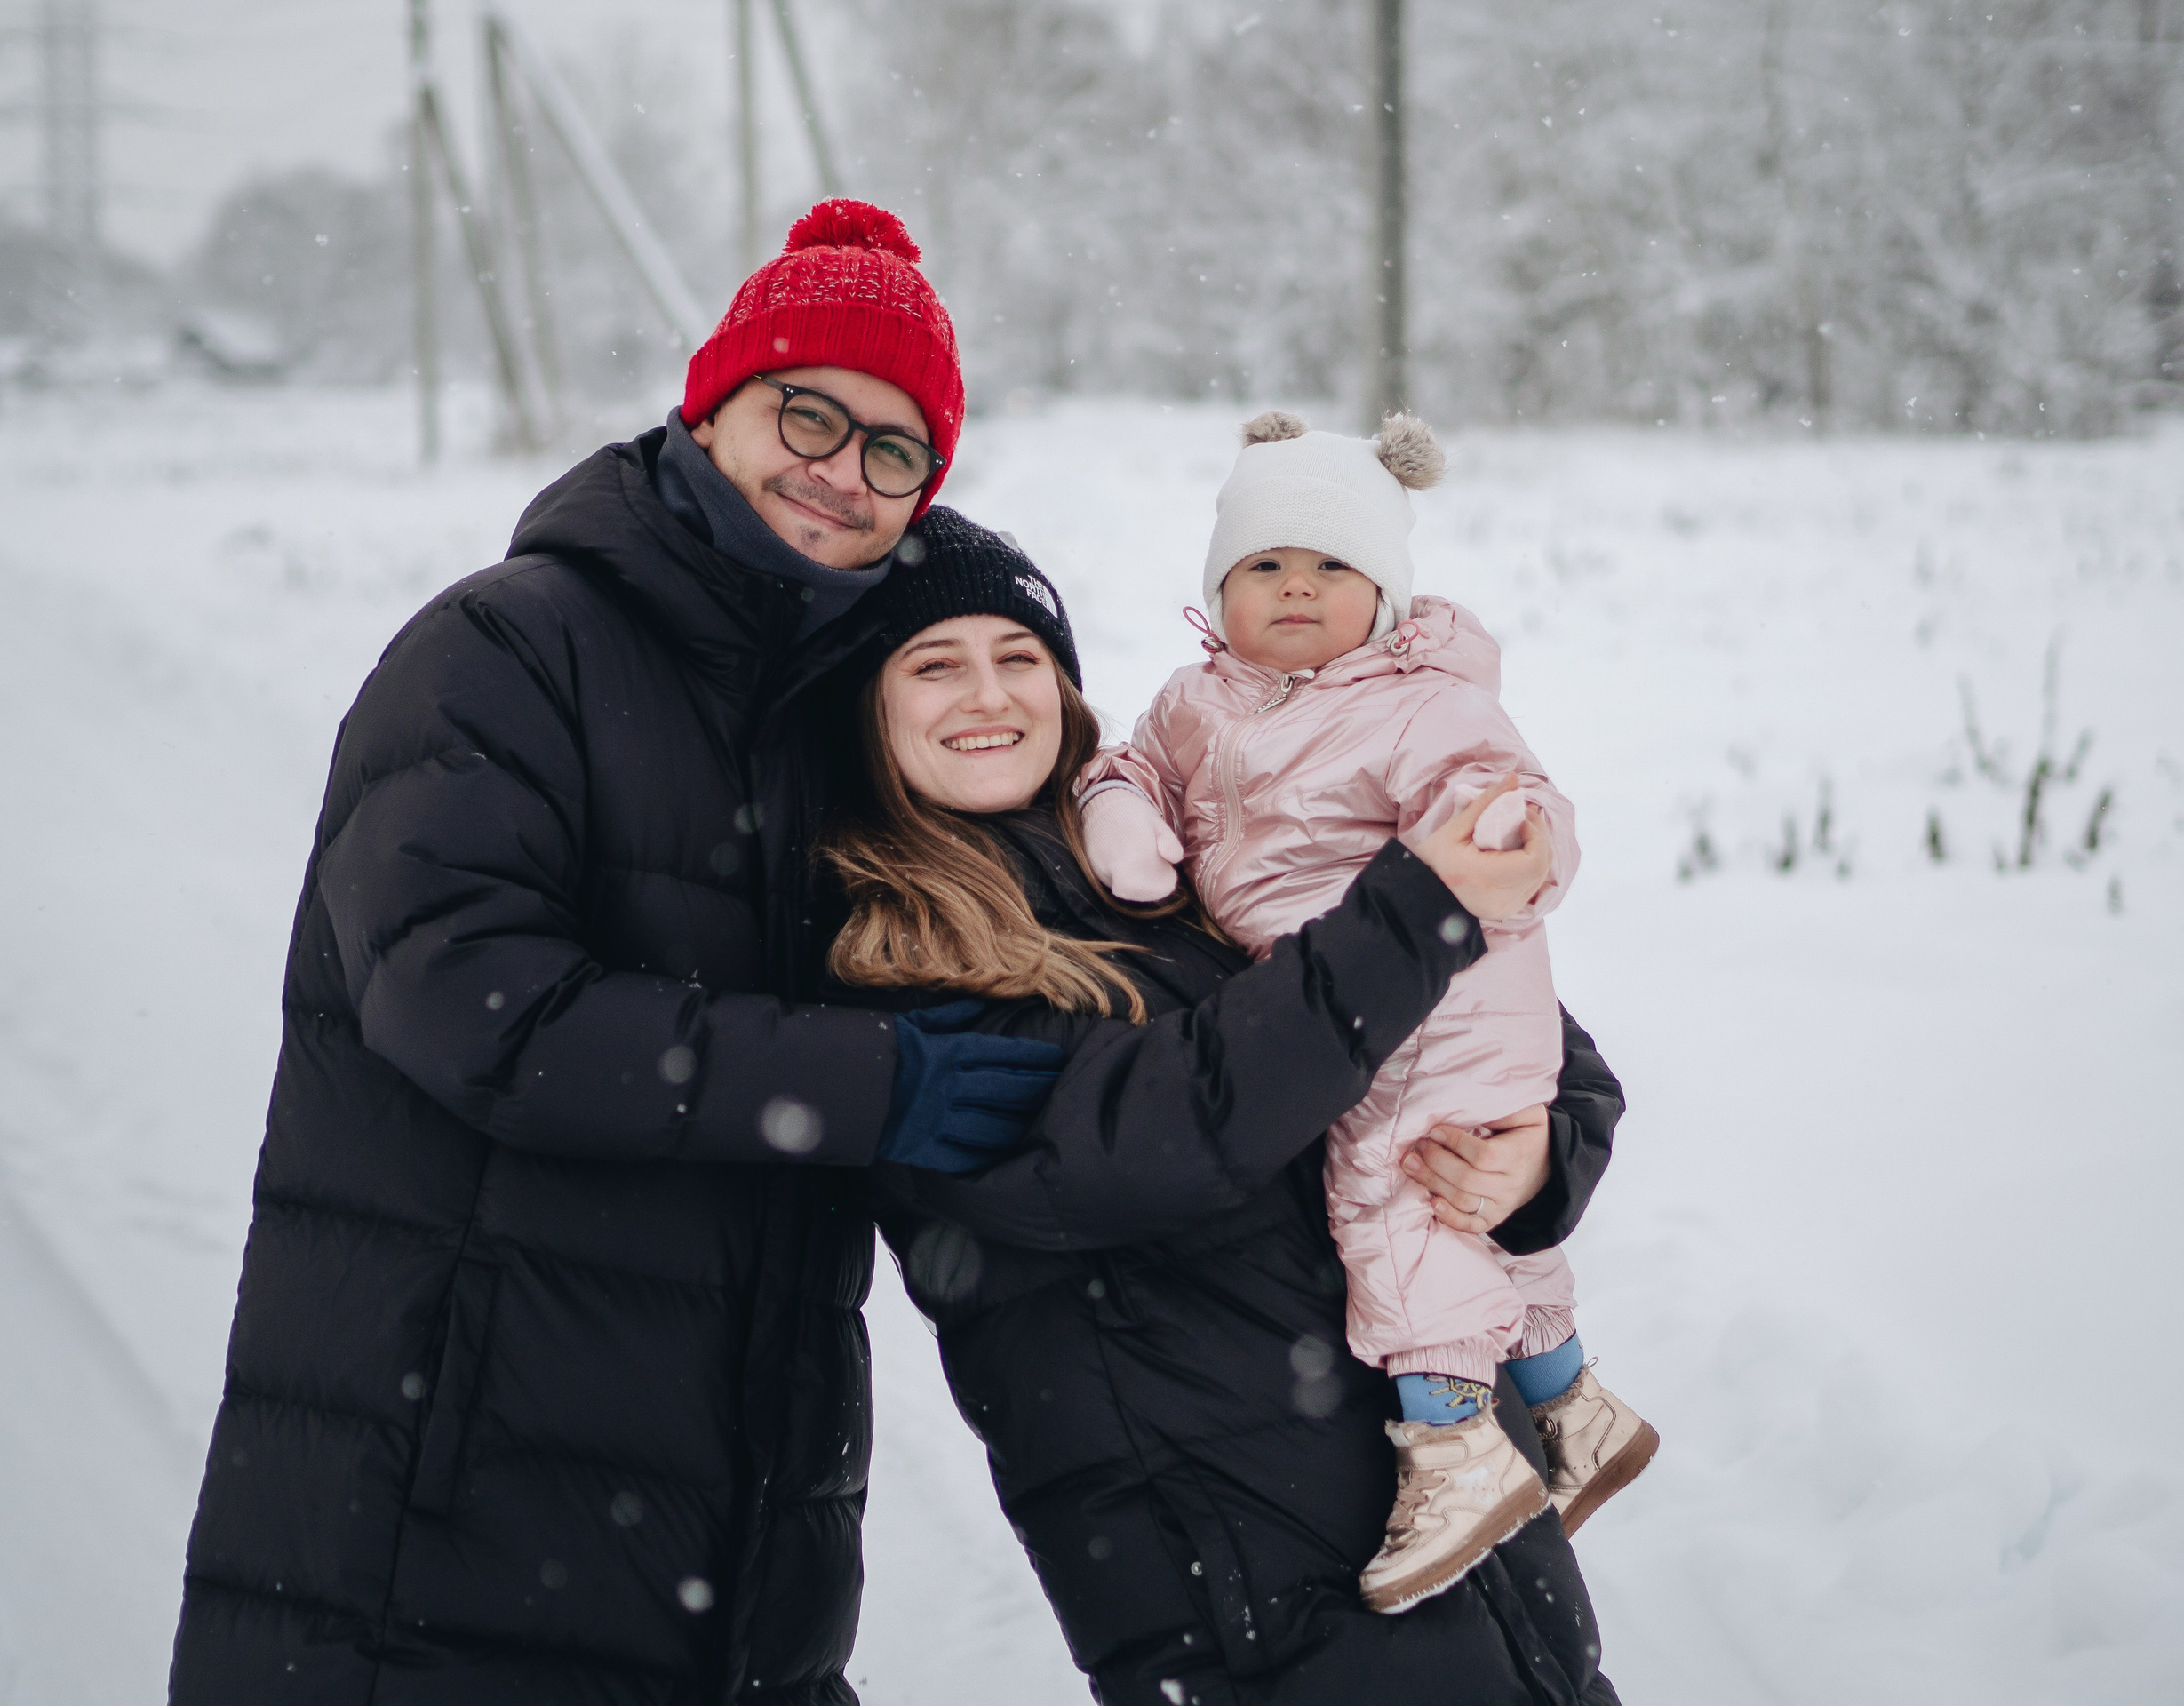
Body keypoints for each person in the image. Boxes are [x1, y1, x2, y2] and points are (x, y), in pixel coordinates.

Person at [167, 200, 1073, 1703]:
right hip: (435, 1547)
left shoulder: (859, 723)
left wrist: (1509, 1113)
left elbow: (1122, 970)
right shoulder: (508, 649)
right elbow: (468, 1002)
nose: (841, 474)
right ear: (712, 405)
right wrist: (864, 1082)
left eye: (894, 451)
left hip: (741, 1576)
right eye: (808, 415)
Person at [824, 517, 1629, 1703]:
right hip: (1254, 1595)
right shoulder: (885, 960)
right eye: (934, 664)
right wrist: (1410, 911)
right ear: (868, 714)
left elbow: (1525, 1036)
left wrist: (1537, 1158)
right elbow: (1154, 1140)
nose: (987, 695)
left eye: (1021, 656)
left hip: (1469, 1518)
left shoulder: (1166, 858)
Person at [1076, 410, 1658, 1612]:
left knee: (1396, 1203)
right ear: (1217, 591)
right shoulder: (1196, 704)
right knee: (1472, 1206)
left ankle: (1454, 1450)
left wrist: (1509, 838)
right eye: (1266, 566)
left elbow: (1499, 789)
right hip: (1349, 991)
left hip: (1436, 995)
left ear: (1386, 592)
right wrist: (1123, 817)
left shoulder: (1415, 701)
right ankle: (1570, 1404)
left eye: (1333, 565)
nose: (1298, 589)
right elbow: (1134, 763)